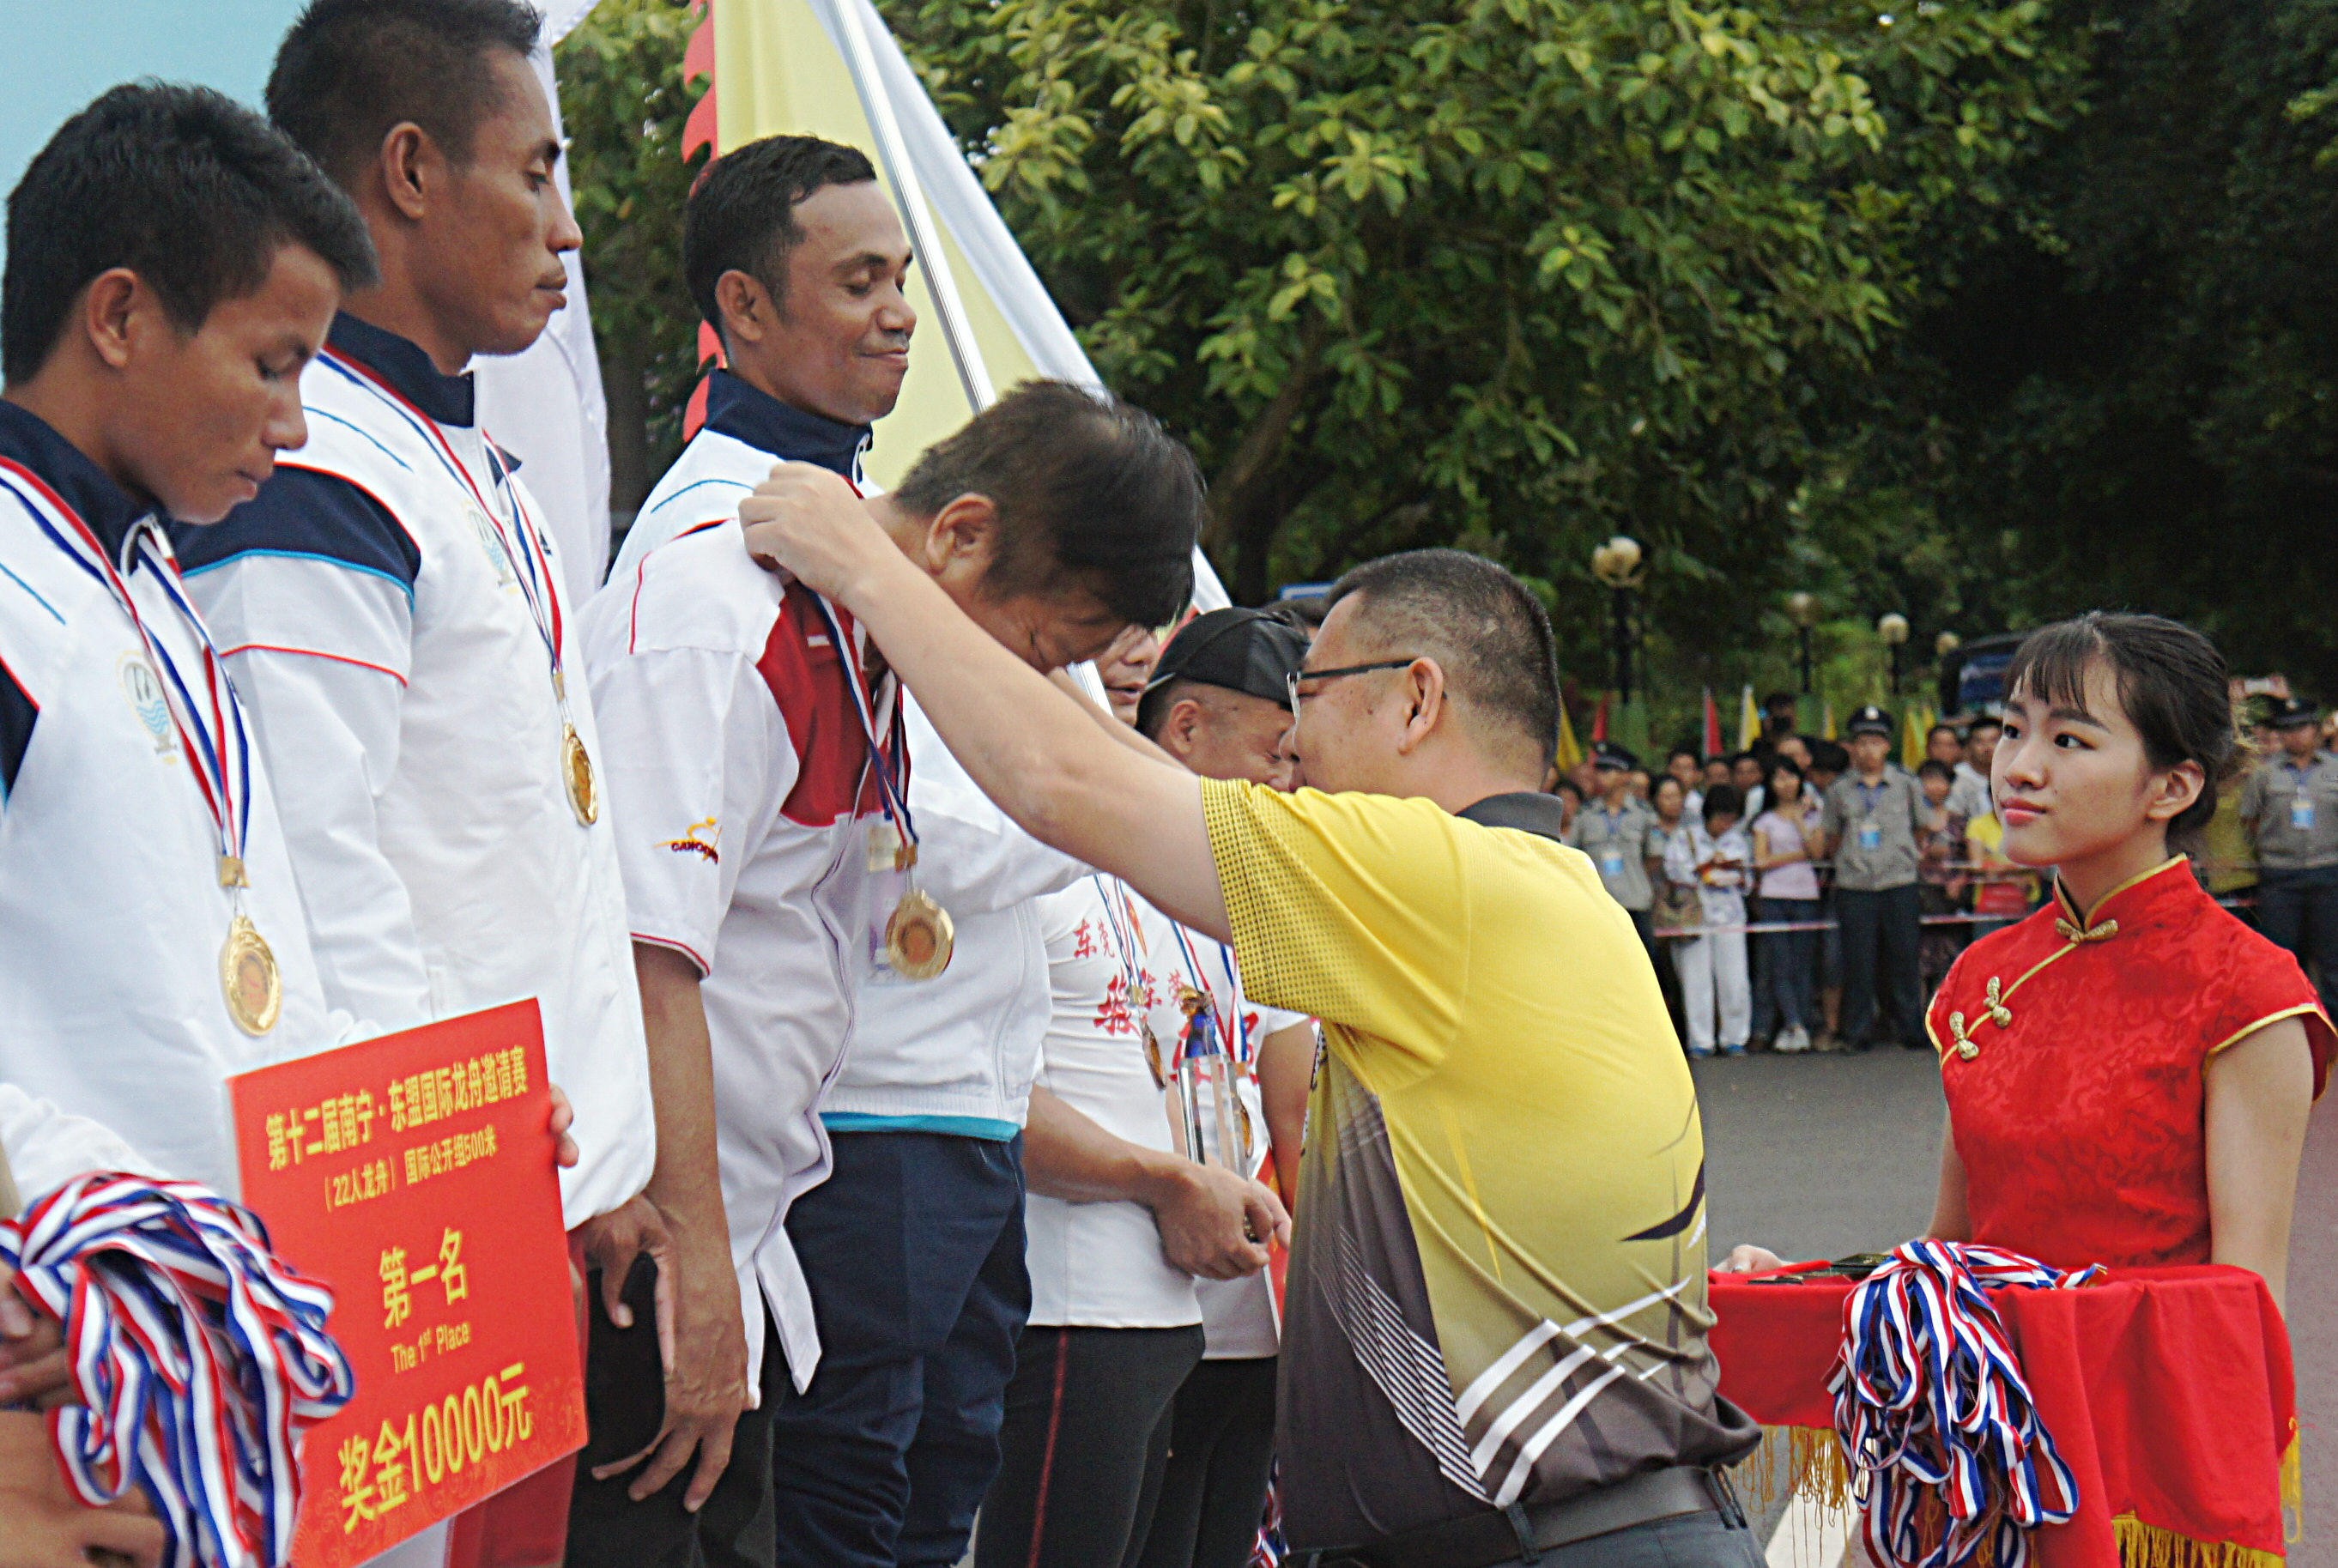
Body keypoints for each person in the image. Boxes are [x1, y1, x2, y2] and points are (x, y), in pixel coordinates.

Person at [738, 484, 1766, 1565]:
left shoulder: (1436, 880)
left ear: (1417, 701)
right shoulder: (1531, 885)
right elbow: (1138, 768)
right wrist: (1036, 645)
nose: (1291, 741)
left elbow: (1056, 783)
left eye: (1310, 691)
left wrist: (868, 570)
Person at [170, 5, 662, 1558]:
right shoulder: (316, 471)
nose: (568, 228)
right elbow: (312, 880)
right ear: (406, 170)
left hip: (525, 1200)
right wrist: (450, 1172)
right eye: (537, 171)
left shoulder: (462, 462)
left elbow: (529, 845)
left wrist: (610, 1148)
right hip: (415, 1221)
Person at [582, 383, 1198, 1565]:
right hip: (688, 1223)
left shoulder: (869, 634)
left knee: (903, 1496)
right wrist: (703, 1256)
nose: (1026, 693)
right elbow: (650, 952)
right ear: (963, 533)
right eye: (1034, 650)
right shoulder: (730, 608)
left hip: (770, 1197)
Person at [1728, 614, 2334, 1317]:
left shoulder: (2247, 993)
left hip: (2147, 1410)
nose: (2018, 767)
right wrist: (1800, 1282)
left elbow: (2244, 1302)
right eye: (2014, 729)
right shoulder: (1981, 977)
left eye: (2068, 739)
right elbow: (1951, 1249)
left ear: (2171, 786)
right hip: (1987, 1410)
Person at [0, 82, 374, 1191]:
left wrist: (441, 1126)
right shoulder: (16, 587)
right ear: (120, 318)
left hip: (202, 1318)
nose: (295, 424)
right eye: (272, 363)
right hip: (66, 1312)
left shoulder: (149, 582)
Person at [986, 608, 1311, 1568]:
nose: (1289, 779)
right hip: (1080, 1304)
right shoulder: (1041, 860)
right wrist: (1164, 1183)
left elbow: (1284, 1106)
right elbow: (991, 1088)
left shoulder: (1235, 882)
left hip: (1212, 1312)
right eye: (1277, 752)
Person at [609, 132, 912, 581]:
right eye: (861, 284)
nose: (903, 316)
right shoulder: (707, 543)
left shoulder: (871, 505)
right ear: (746, 306)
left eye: (900, 283)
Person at [1818, 707, 1928, 1051]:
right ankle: (1857, 1030)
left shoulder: (1906, 784)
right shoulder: (1839, 790)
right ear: (1853, 748)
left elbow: (1921, 826)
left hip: (1899, 882)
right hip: (1856, 885)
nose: (1868, 750)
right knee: (1858, 960)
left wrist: (1905, 854)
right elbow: (1832, 836)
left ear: (1887, 746)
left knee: (1905, 957)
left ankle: (1910, 1028)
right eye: (1862, 743)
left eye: (1875, 742)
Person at [2240, 696, 2338, 1017]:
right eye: (2289, 730)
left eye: (2303, 728)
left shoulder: (2335, 770)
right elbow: (2251, 820)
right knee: (2282, 958)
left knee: (2332, 959)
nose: (2296, 736)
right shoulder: (2265, 774)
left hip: (2328, 872)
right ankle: (2289, 1023)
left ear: (2317, 730)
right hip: (2280, 877)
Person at [1668, 786, 1753, 1060]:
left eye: (1731, 819)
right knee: (1696, 980)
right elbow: (1675, 871)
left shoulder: (1737, 840)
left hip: (1730, 916)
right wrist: (1707, 868)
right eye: (1722, 818)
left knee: (1735, 980)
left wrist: (1733, 872)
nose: (1726, 825)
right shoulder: (1685, 838)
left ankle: (1735, 1037)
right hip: (1696, 915)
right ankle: (1700, 1040)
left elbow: (1748, 880)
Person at [1750, 758, 1821, 1053]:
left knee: (1802, 966)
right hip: (1774, 896)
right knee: (1780, 964)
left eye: (1790, 777)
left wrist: (1800, 823)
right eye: (1778, 778)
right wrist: (1797, 855)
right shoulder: (1764, 820)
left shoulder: (1814, 816)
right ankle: (1794, 1025)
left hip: (1806, 894)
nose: (1785, 784)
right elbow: (1761, 861)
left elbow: (1816, 852)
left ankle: (1800, 1024)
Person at [1567, 742, 1662, 950]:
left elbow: (1653, 857)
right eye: (1599, 771)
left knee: (1643, 970)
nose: (1601, 777)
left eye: (1608, 771)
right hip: (1598, 905)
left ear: (1625, 775)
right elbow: (1574, 855)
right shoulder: (1585, 814)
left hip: (1635, 903)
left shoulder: (1644, 813)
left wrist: (1635, 880)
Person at [1914, 759, 1967, 995]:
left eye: (1941, 781)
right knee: (1917, 963)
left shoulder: (1960, 821)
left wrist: (1961, 879)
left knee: (1948, 962)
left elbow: (1969, 858)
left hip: (1950, 898)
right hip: (1918, 895)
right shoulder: (1910, 821)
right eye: (1929, 781)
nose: (1935, 787)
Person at [1947, 716, 1999, 822]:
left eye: (1994, 740)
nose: (1987, 747)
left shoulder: (2013, 774)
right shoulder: (1957, 776)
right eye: (1980, 742)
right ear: (1969, 745)